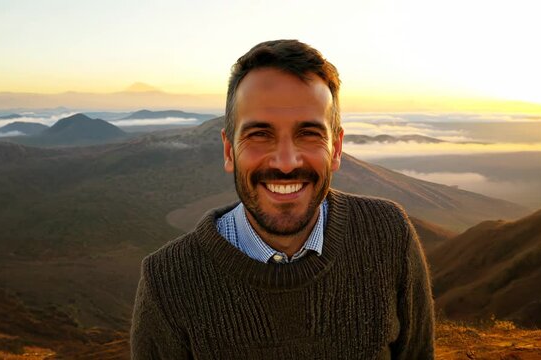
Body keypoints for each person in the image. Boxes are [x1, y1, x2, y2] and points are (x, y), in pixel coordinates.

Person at [130, 39, 435, 359]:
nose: (286, 162)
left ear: (336, 148)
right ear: (228, 150)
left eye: (309, 134)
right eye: (260, 134)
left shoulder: (387, 236)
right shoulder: (167, 282)